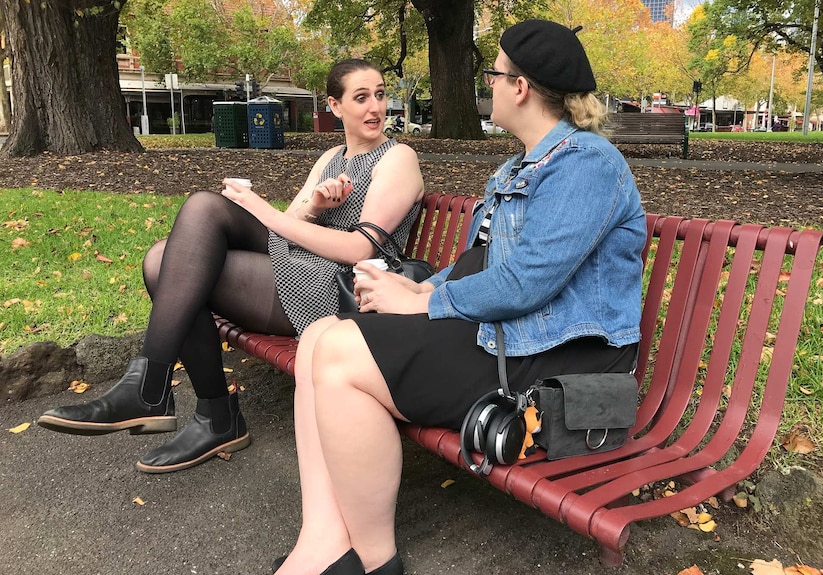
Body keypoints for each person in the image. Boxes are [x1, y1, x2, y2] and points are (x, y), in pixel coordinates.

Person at [274, 20, 646, 575]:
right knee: (320, 337)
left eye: (494, 74)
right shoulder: (518, 165)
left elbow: (527, 280)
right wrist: (420, 286)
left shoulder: (587, 163)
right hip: (508, 333)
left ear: (520, 87)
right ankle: (324, 541)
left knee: (339, 355)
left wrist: (422, 304)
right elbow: (484, 262)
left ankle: (376, 562)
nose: (489, 84)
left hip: (561, 357)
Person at [36, 58, 425, 474]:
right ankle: (196, 408)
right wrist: (313, 205)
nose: (375, 108)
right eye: (361, 97)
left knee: (194, 222)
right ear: (335, 106)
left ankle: (176, 400)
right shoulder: (332, 157)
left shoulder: (397, 157)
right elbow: (293, 225)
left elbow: (360, 249)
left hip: (339, 290)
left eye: (380, 95)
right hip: (297, 267)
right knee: (160, 259)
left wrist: (267, 213)